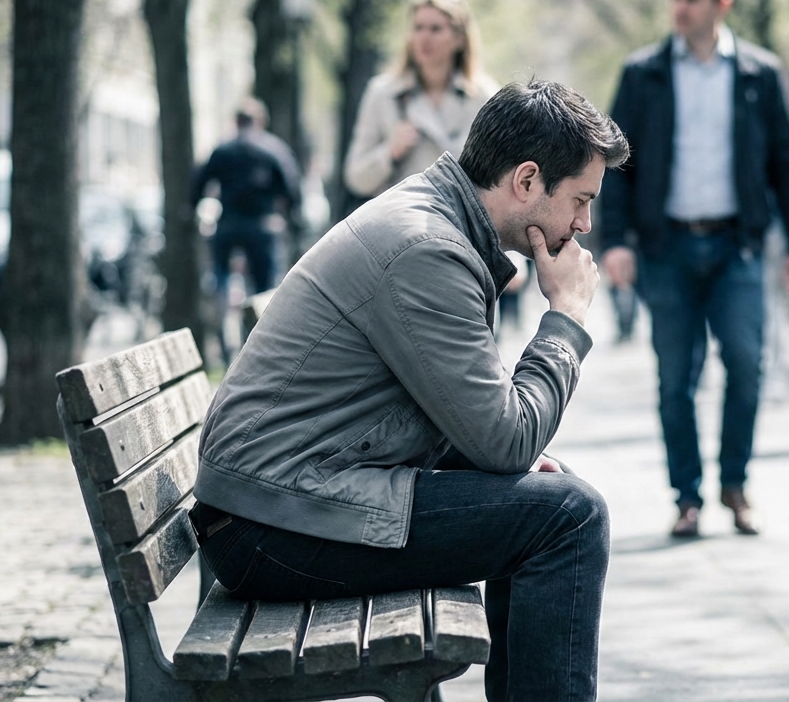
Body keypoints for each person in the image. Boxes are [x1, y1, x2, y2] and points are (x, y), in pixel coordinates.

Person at [191, 80, 629, 702]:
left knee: (552, 495)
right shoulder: (429, 249)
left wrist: (518, 456)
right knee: (568, 518)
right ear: (527, 181)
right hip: (269, 524)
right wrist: (566, 318)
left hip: (279, 498)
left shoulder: (437, 219)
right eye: (581, 200)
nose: (585, 224)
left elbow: (474, 424)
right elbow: (504, 443)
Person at [599, 0, 789, 538]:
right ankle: (687, 496)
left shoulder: (758, 74)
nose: (679, 8)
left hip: (737, 246)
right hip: (666, 249)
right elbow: (614, 165)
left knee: (747, 365)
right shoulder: (643, 72)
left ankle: (736, 485)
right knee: (677, 379)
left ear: (722, 4)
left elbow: (785, 162)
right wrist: (614, 240)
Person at [344, 0, 497, 208]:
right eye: (418, 28)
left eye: (436, 29)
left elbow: (498, 180)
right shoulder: (383, 93)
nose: (424, 38)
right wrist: (390, 152)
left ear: (459, 38)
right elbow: (355, 178)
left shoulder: (484, 97)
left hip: (460, 226)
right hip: (397, 222)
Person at [190, 98, 302, 306]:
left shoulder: (222, 150)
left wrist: (191, 208)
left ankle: (223, 316)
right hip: (263, 224)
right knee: (265, 286)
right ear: (261, 121)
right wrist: (293, 216)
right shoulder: (274, 149)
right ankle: (258, 323)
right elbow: (292, 186)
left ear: (237, 121)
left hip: (229, 222)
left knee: (220, 276)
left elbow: (199, 182)